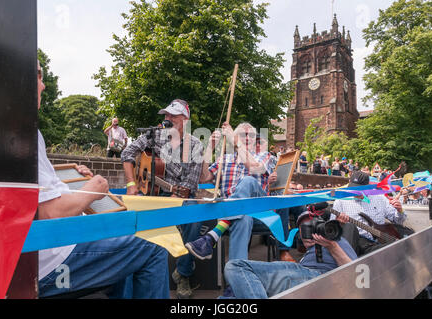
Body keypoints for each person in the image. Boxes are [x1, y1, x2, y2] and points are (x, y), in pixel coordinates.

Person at [36, 61, 169, 299]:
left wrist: (67, 174)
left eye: (174, 117)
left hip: (51, 244)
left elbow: (32, 184)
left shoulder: (193, 145)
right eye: (38, 76)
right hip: (49, 258)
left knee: (125, 235)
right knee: (154, 244)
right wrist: (93, 189)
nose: (44, 85)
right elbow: (48, 213)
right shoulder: (22, 133)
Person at [120, 99, 204, 299]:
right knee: (131, 216)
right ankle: (129, 272)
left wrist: (176, 195)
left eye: (173, 116)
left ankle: (182, 274)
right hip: (152, 192)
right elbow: (127, 152)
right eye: (166, 115)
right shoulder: (154, 135)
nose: (168, 119)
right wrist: (132, 184)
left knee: (193, 220)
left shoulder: (196, 144)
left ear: (185, 119)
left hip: (181, 195)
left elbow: (191, 183)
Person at [185, 122, 275, 265]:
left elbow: (254, 167)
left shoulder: (263, 156)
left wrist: (235, 139)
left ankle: (214, 234)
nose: (247, 138)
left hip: (259, 211)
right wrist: (210, 148)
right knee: (243, 218)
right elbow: (203, 177)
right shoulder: (224, 159)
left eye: (251, 135)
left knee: (248, 181)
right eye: (242, 135)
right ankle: (235, 278)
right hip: (238, 215)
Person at [223, 205, 358, 298]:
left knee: (235, 266)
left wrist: (332, 246)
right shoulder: (308, 253)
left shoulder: (337, 241)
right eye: (303, 228)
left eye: (310, 225)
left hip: (316, 277)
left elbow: (356, 274)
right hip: (298, 278)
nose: (307, 231)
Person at [330, 170, 407, 256]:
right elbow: (332, 230)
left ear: (368, 186)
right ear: (349, 183)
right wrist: (339, 223)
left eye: (360, 189)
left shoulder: (379, 198)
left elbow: (398, 221)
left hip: (380, 241)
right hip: (355, 244)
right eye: (353, 188)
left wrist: (400, 211)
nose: (356, 192)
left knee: (400, 246)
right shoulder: (340, 201)